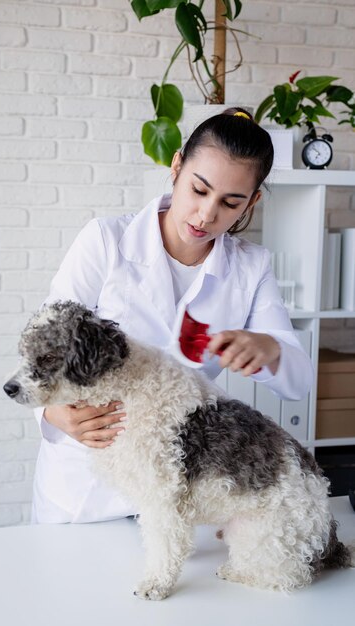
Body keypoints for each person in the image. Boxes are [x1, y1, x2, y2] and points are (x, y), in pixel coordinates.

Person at [31, 107, 314, 524]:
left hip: (177, 489)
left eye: (230, 202)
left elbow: (300, 381)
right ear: (177, 165)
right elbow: (47, 341)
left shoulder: (251, 268)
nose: (206, 215)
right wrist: (51, 411)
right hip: (84, 490)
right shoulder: (106, 241)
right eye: (199, 190)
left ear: (251, 201)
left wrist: (268, 349)